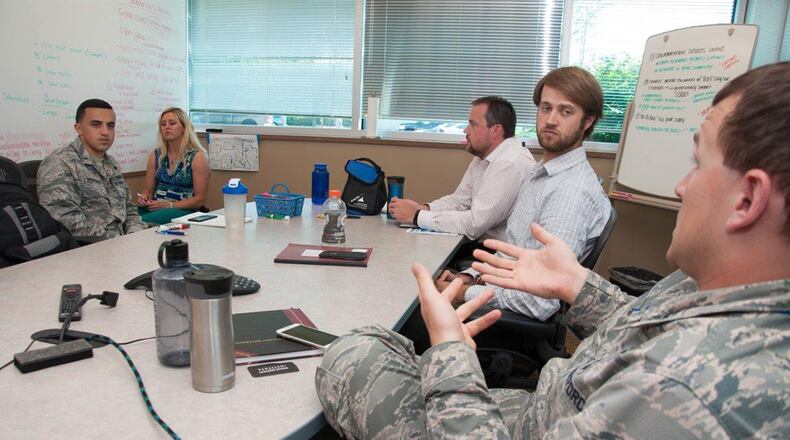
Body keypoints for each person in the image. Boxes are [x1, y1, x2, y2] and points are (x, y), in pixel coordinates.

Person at [315, 62, 790, 439]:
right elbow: (646, 326)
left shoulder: (682, 394)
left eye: (697, 163)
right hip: (544, 404)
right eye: (545, 107)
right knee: (389, 338)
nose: (682, 187)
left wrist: (451, 355)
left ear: (747, 200)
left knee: (351, 350)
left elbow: (538, 307)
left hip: (521, 421)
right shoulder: (711, 285)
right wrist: (579, 285)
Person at [437, 66, 611, 320]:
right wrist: (469, 277)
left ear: (588, 121)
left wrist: (464, 293)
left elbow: (539, 301)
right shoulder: (541, 173)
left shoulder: (569, 193)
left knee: (408, 314)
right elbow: (512, 251)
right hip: (494, 291)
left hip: (505, 319)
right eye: (546, 107)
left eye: (566, 111)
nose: (551, 120)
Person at [388, 96, 535, 242]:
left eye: (473, 124)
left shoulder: (509, 163)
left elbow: (474, 224)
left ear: (495, 130)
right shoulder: (484, 156)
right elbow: (460, 202)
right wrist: (424, 209)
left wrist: (416, 216)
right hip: (481, 246)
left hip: (498, 256)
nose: (466, 130)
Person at [38, 99, 146, 239]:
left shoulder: (111, 163)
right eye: (96, 125)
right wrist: (117, 241)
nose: (105, 132)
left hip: (122, 244)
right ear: (79, 128)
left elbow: (129, 209)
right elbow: (65, 220)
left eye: (110, 126)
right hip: (89, 249)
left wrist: (136, 236)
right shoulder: (60, 163)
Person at [137, 107, 210, 224]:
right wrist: (144, 198)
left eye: (172, 123)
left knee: (141, 222)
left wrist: (168, 205)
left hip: (182, 210)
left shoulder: (197, 157)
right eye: (163, 124)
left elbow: (199, 200)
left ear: (184, 128)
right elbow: (147, 191)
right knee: (126, 217)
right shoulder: (156, 156)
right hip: (156, 206)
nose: (167, 127)